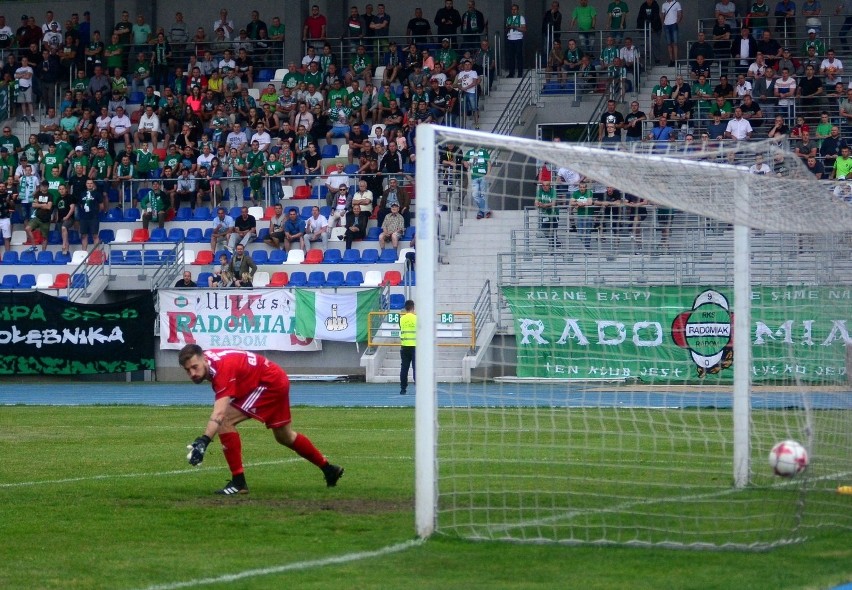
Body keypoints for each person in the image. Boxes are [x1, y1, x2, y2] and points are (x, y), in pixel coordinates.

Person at [180, 344, 344, 495]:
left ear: (205, 359)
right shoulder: (211, 361)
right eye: (188, 370)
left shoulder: (222, 369)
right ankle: (329, 469)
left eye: (195, 367)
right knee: (284, 437)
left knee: (225, 421)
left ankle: (239, 482)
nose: (193, 373)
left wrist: (204, 440)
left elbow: (219, 413)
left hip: (267, 384)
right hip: (274, 379)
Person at [397, 299, 417, 395]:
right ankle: (418, 387)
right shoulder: (416, 318)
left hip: (404, 346)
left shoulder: (401, 319)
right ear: (413, 308)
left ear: (405, 308)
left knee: (404, 368)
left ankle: (403, 388)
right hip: (415, 346)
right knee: (416, 368)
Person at [464, 145, 490, 218]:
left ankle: (481, 213)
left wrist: (488, 173)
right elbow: (464, 160)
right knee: (475, 195)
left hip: (482, 176)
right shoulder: (470, 152)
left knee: (483, 195)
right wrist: (465, 163)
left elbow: (488, 163)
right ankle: (487, 210)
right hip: (474, 177)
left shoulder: (484, 152)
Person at [504, 4, 526, 78]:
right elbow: (506, 29)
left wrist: (515, 27)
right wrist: (508, 28)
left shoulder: (521, 18)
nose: (513, 11)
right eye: (512, 9)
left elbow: (524, 29)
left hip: (518, 39)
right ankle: (511, 73)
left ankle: (520, 73)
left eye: (515, 9)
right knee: (511, 57)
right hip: (510, 39)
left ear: (518, 10)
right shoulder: (508, 18)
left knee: (519, 56)